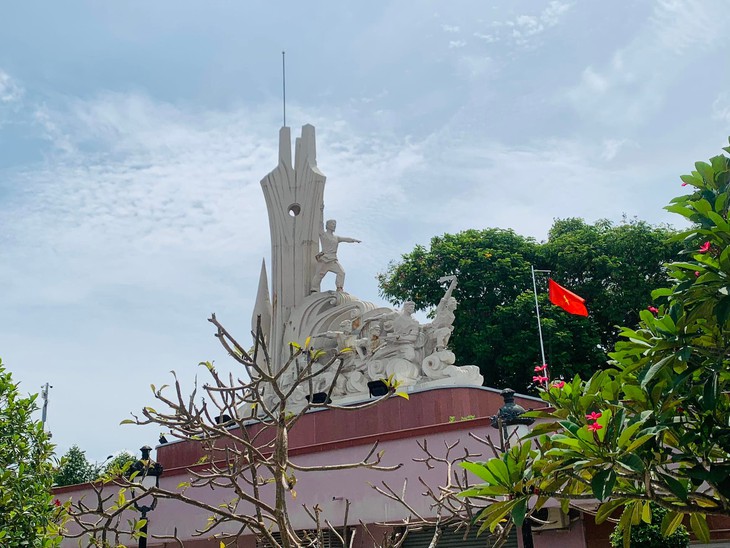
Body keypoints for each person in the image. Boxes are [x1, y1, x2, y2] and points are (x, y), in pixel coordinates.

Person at [310, 219, 361, 292]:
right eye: (332, 224)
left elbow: (346, 239)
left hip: (333, 260)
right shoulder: (323, 234)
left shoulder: (336, 238)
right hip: (324, 260)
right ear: (327, 226)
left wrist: (354, 240)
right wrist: (320, 210)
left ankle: (339, 288)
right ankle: (314, 290)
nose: (334, 226)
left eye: (335, 224)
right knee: (319, 275)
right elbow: (320, 223)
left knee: (341, 272)